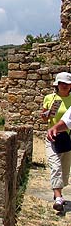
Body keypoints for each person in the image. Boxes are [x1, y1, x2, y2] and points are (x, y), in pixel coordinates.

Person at [43, 72, 71, 211]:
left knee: (65, 170)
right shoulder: (50, 98)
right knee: (55, 166)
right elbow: (43, 118)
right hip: (52, 137)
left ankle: (59, 191)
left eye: (67, 83)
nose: (64, 86)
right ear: (57, 84)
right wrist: (46, 114)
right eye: (61, 83)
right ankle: (58, 197)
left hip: (68, 139)